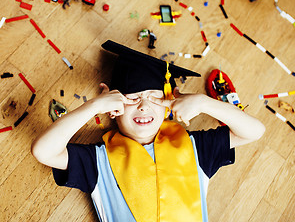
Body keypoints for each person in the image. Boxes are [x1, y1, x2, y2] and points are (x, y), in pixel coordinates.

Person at [31, 40, 265, 222]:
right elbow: (44, 151)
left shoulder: (196, 148)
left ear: (169, 105)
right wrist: (94, 106)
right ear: (114, 108)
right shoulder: (99, 161)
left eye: (155, 97)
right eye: (133, 98)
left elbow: (254, 131)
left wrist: (204, 102)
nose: (143, 105)